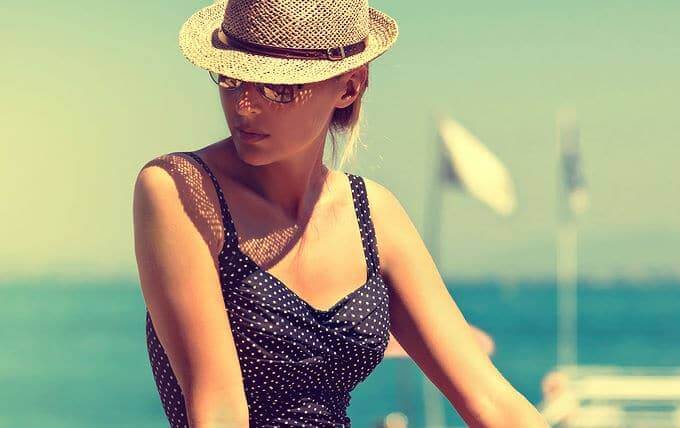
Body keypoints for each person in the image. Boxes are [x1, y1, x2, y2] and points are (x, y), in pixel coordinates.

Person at [132, 0, 548, 427]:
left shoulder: (374, 216)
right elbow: (218, 409)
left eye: (278, 88)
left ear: (349, 87)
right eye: (231, 78)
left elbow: (491, 399)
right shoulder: (178, 188)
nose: (244, 106)